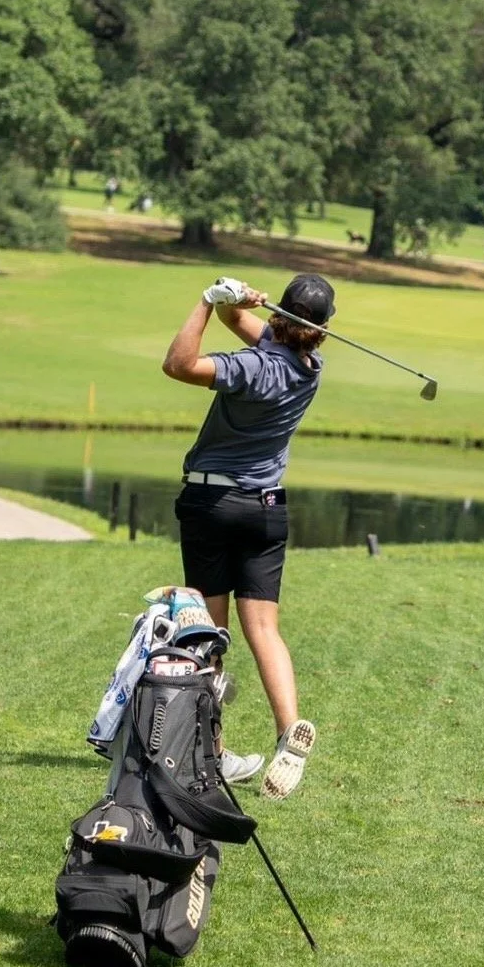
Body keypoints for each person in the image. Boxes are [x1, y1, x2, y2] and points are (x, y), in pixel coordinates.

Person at [161, 273, 333, 800]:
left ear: (282, 317)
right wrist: (238, 302)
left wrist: (205, 301)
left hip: (213, 504)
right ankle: (289, 732)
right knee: (263, 629)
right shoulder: (308, 367)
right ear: (320, 330)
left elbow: (178, 364)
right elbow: (250, 327)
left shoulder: (252, 368)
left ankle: (210, 753)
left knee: (212, 636)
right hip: (266, 509)